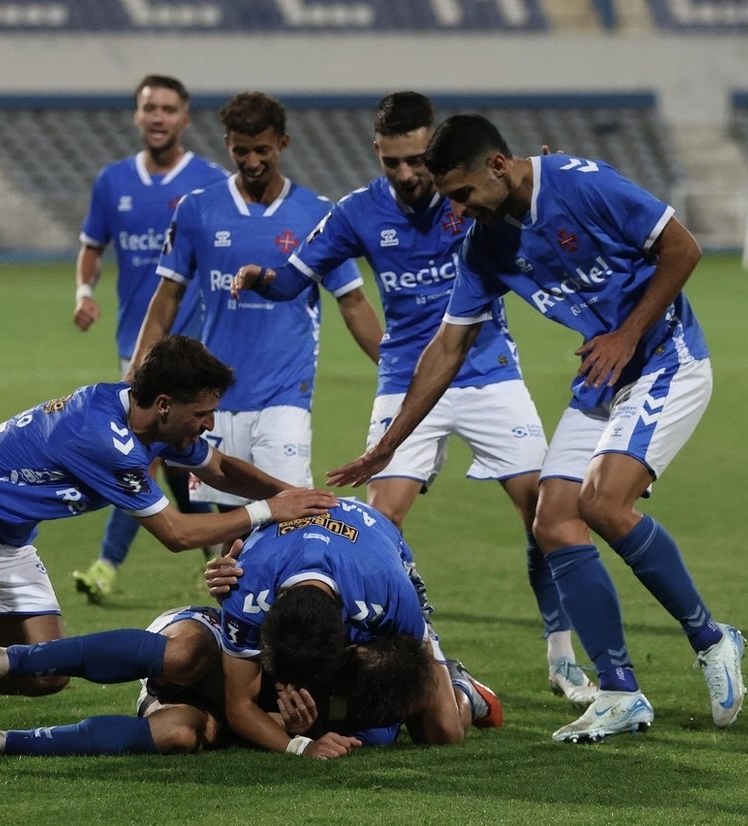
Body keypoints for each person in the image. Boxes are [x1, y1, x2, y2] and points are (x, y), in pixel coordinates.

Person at [328, 114, 747, 744]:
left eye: (464, 195)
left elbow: (683, 247)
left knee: (603, 503)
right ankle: (620, 691)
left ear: (498, 166)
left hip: (667, 360)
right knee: (552, 522)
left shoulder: (583, 184)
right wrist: (387, 445)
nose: (460, 211)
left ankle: (713, 640)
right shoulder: (485, 243)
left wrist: (626, 334)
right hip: (603, 377)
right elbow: (447, 347)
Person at [233, 91, 597, 707]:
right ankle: (367, 655)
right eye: (393, 162)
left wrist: (545, 178)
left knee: (546, 519)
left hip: (489, 372)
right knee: (378, 523)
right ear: (377, 152)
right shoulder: (356, 213)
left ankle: (562, 658)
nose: (407, 175)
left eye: (416, 161)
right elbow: (296, 277)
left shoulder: (469, 192)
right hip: (405, 379)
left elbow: (535, 204)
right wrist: (263, 280)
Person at [0, 335, 337, 768]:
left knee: (45, 673)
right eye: (201, 414)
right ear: (164, 404)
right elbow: (177, 535)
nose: (206, 424)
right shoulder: (105, 439)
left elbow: (220, 469)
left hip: (9, 532)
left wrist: (302, 500)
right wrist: (272, 509)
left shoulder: (147, 421)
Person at [131, 91, 383, 512]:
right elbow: (167, 297)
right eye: (240, 150)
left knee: (290, 508)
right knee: (235, 519)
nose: (251, 161)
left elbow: (353, 301)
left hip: (286, 393)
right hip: (213, 398)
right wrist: (138, 369)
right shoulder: (197, 210)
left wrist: (397, 371)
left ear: (282, 143)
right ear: (227, 143)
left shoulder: (317, 213)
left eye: (262, 150)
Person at [70, 74, 229, 605]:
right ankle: (221, 560)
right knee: (173, 462)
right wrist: (83, 290)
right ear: (137, 116)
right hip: (137, 349)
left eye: (168, 108)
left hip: (198, 352)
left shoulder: (210, 182)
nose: (158, 117)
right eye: (149, 108)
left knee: (151, 458)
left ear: (185, 118)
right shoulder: (112, 181)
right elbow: (92, 245)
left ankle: (107, 566)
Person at [208, 498, 503, 759]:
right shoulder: (244, 587)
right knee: (367, 735)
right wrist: (301, 745)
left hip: (373, 562)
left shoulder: (390, 590)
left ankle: (462, 686)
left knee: (442, 733)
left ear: (349, 639)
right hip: (318, 561)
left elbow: (413, 665)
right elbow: (239, 707)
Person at [0, 604, 433, 759]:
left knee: (178, 734)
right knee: (181, 654)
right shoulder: (347, 619)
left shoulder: (372, 714)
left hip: (222, 708)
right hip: (217, 646)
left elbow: (345, 731)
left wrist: (296, 730)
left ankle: (3, 743)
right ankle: (14, 659)